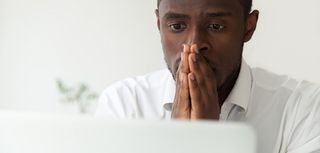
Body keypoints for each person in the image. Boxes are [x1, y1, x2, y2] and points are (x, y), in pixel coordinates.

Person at [96, 0, 320, 152]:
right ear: (159, 25)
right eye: (176, 26)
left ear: (248, 28)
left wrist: (209, 141)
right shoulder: (125, 105)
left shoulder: (303, 108)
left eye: (215, 26)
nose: (193, 44)